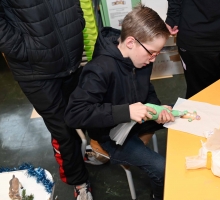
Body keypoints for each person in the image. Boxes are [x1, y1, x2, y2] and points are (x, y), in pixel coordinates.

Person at [64, 5, 174, 200]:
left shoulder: (140, 59)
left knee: (179, 118)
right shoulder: (99, 69)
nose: (153, 59)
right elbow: (74, 114)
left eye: (157, 53)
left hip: (134, 121)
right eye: (152, 53)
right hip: (111, 134)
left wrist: (157, 108)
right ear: (131, 42)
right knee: (163, 168)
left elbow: (146, 90)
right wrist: (126, 112)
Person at [0, 1, 93, 199]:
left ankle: (84, 153)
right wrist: (24, 49)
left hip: (70, 58)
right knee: (63, 130)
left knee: (81, 114)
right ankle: (80, 182)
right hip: (35, 72)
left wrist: (75, 23)